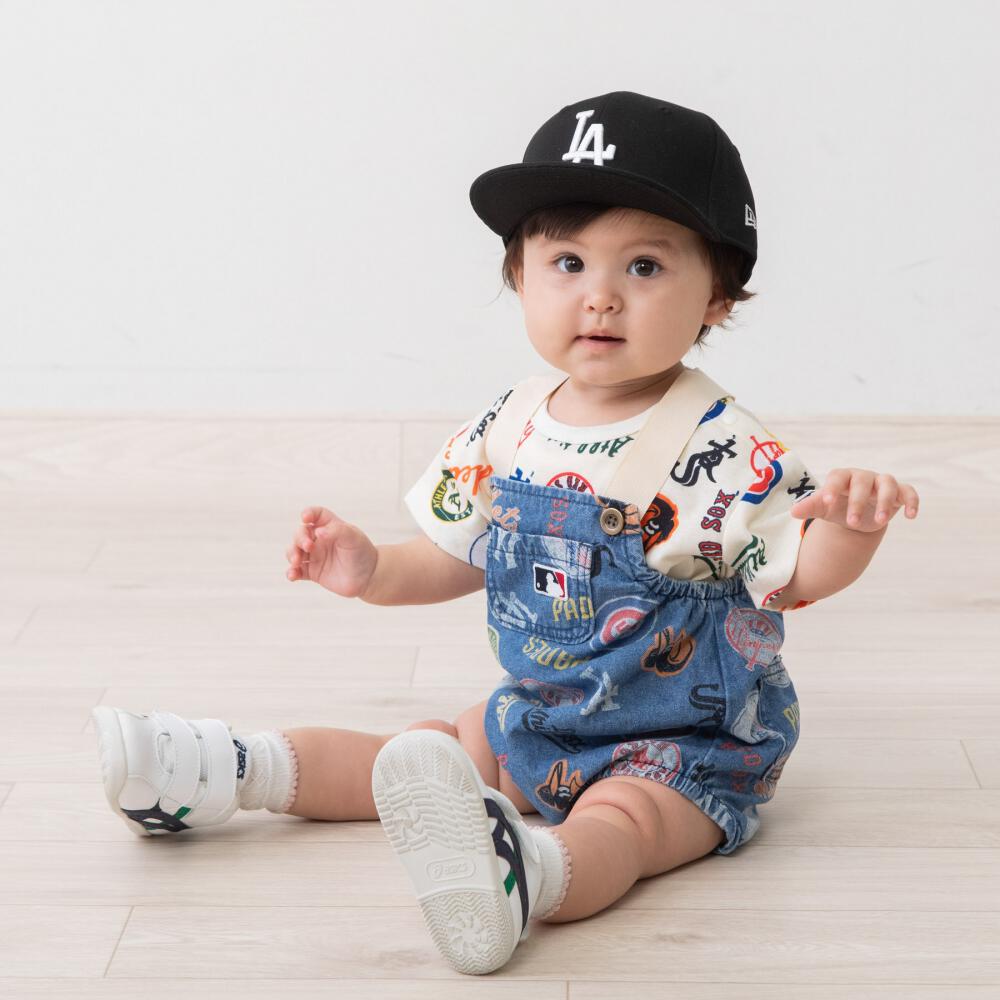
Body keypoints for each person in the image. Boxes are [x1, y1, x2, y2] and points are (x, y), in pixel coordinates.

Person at [92, 91, 921, 976]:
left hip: (687, 745)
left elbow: (796, 576)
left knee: (628, 821)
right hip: (544, 714)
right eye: (567, 261)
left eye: (644, 266)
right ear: (519, 277)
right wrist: (371, 570)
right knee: (422, 751)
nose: (600, 297)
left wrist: (851, 527)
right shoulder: (511, 424)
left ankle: (530, 874)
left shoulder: (724, 448)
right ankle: (229, 770)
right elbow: (457, 555)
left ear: (716, 295)